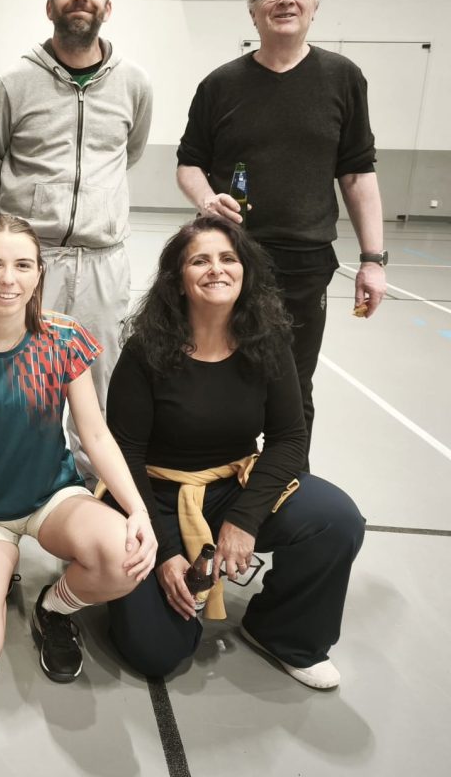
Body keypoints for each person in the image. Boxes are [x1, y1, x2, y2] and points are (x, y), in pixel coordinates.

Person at [104, 215, 365, 690]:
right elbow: (125, 454)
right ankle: (119, 577)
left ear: (245, 271)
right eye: (199, 261)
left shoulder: (268, 343)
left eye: (228, 258)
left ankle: (283, 634)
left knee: (335, 519)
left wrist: (244, 520)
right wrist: (164, 552)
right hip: (152, 499)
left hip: (231, 487)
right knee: (156, 652)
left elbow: (289, 437)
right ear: (177, 280)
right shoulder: (145, 350)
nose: (216, 269)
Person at [0, 215, 156, 685]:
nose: (8, 279)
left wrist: (137, 510)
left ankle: (53, 607)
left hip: (51, 499)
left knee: (126, 557)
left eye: (22, 265)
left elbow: (95, 435)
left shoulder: (64, 338)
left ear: (39, 273)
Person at [176, 0, 386, 453]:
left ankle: (286, 477)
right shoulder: (220, 85)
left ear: (315, 4)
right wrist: (207, 200)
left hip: (306, 264)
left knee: (293, 385)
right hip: (229, 259)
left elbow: (357, 175)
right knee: (220, 373)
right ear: (254, 10)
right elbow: (188, 164)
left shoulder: (343, 78)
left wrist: (372, 260)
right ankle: (219, 471)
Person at [0, 0, 153, 482]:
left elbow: (131, 152)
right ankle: (14, 490)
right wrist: (30, 225)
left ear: (107, 7)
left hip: (102, 263)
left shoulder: (134, 84)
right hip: (33, 262)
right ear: (49, 6)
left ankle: (89, 496)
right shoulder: (12, 83)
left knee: (97, 388)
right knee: (18, 378)